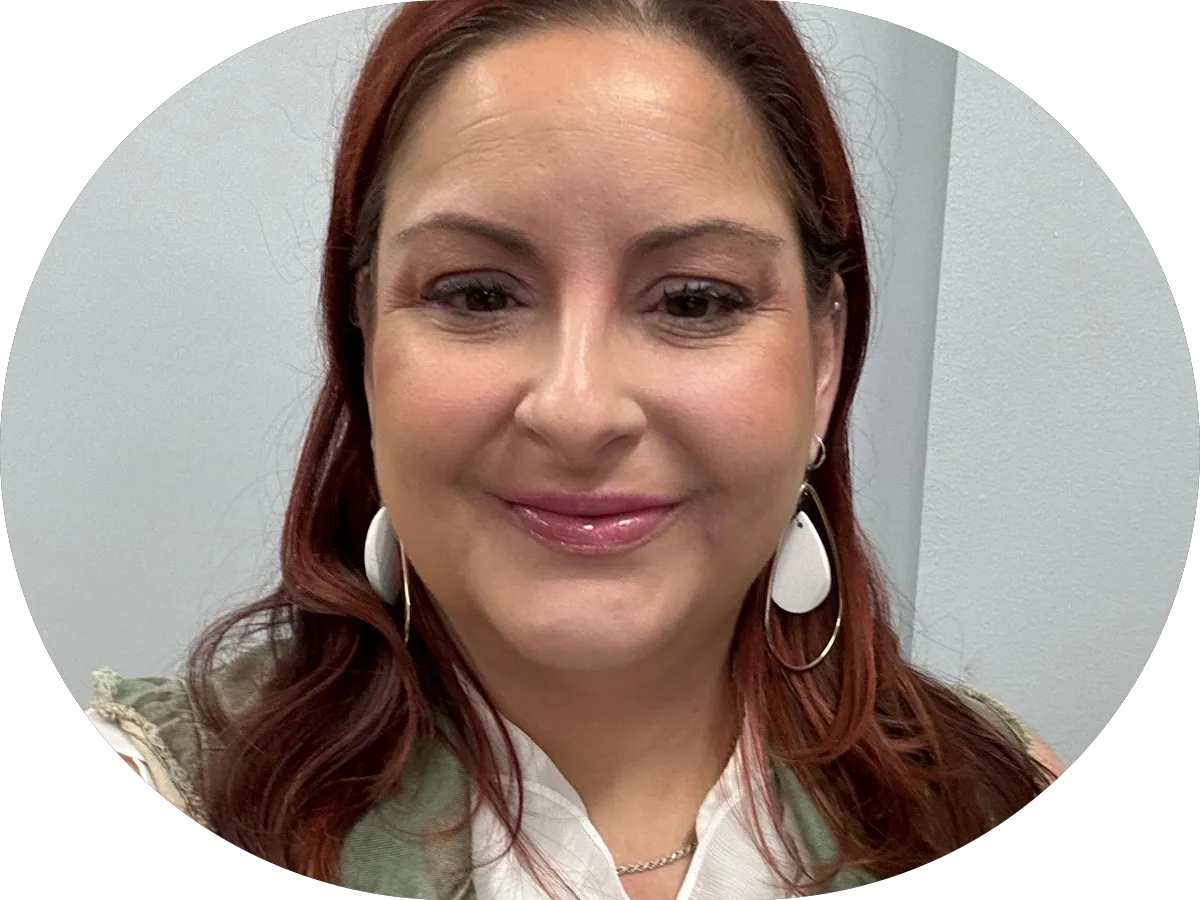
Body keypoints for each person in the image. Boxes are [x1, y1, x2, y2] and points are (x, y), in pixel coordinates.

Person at [86, 2, 1064, 898]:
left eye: (694, 301)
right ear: (365, 340)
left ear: (824, 358)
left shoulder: (988, 793)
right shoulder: (178, 785)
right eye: (477, 294)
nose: (578, 410)